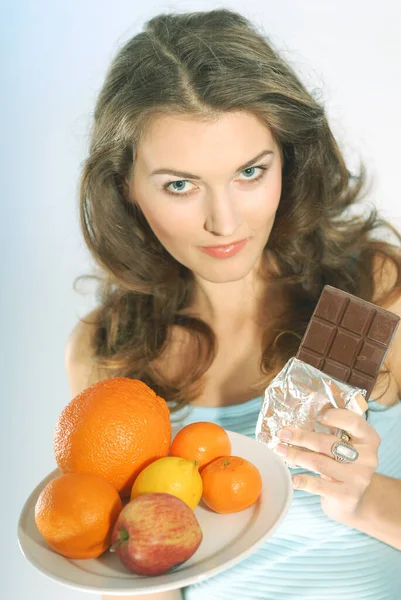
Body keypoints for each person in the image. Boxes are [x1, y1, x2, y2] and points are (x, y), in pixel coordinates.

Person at [65, 8, 401, 600]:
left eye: (250, 171)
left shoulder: (372, 288)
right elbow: (140, 580)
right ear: (126, 186)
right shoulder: (107, 351)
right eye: (179, 185)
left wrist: (364, 499)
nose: (224, 222)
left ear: (287, 158)